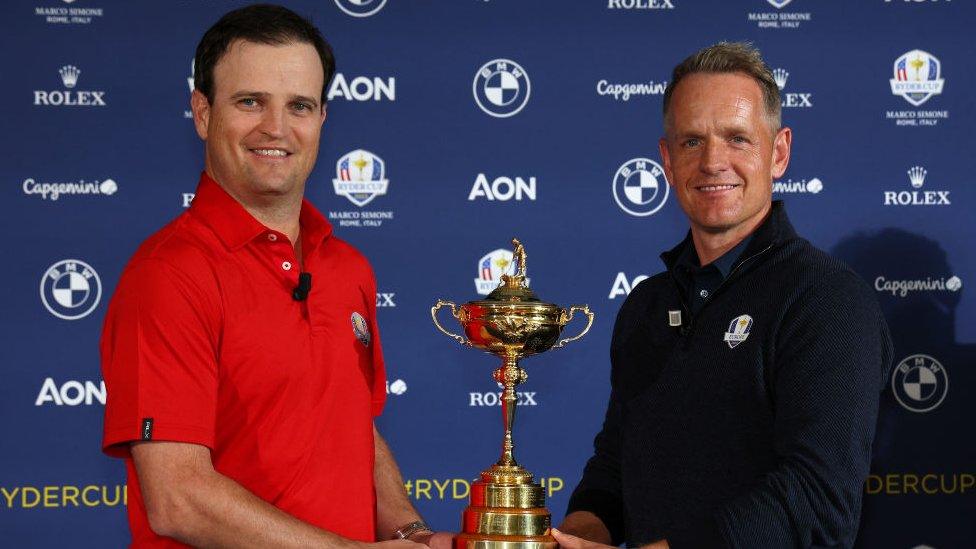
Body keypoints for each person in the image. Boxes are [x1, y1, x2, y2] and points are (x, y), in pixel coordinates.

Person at [100, 5, 450, 548]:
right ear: (202, 112)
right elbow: (177, 499)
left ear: (322, 119)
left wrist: (413, 533)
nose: (276, 128)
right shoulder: (168, 274)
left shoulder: (347, 266)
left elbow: (356, 429)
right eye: (250, 101)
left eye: (299, 106)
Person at [552, 42, 892, 549]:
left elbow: (818, 500)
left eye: (737, 139)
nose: (713, 162)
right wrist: (577, 535)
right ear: (666, 160)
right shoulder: (645, 305)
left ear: (778, 153)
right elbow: (617, 463)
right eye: (692, 142)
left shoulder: (827, 299)